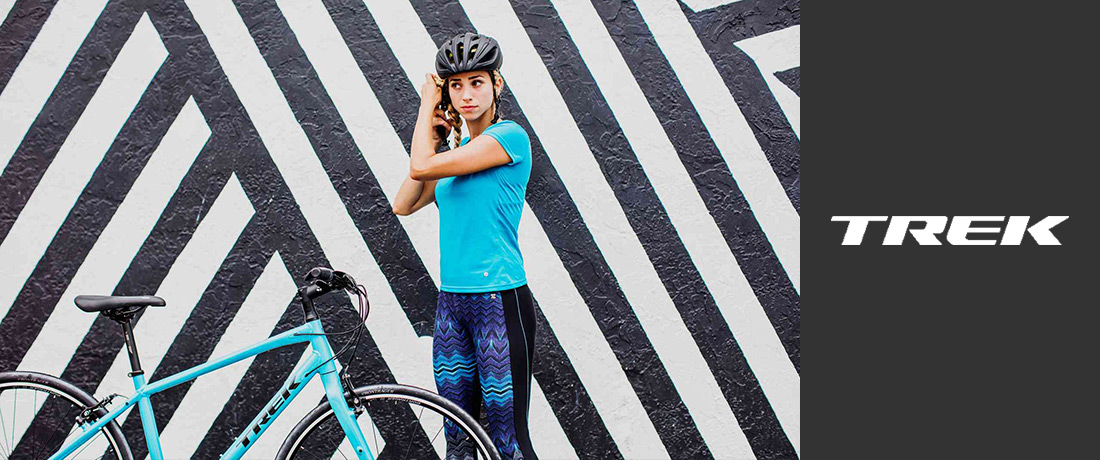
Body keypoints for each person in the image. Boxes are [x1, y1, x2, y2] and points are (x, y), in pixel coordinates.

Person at [392, 32, 538, 460]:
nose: (466, 95)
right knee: (458, 443)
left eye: (477, 82)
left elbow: (419, 165)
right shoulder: (455, 156)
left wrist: (426, 104)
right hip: (451, 305)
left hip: (498, 301)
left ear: (497, 84)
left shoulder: (509, 138)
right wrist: (437, 137)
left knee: (508, 444)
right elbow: (403, 203)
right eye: (456, 86)